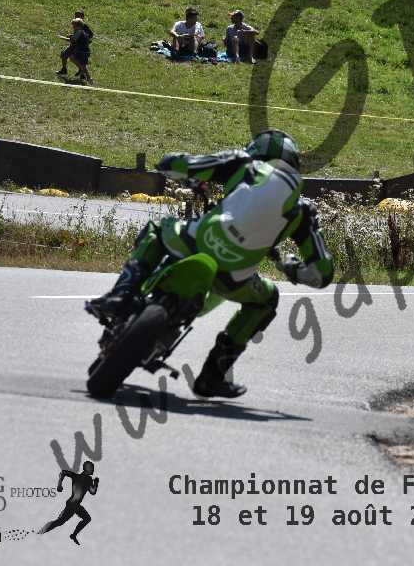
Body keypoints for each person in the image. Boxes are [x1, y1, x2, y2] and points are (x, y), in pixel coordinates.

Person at [86, 130, 334, 398]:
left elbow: (172, 163)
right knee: (267, 299)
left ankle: (121, 294)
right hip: (234, 277)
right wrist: (293, 268)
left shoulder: (242, 163)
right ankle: (213, 376)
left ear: (256, 151)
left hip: (195, 242)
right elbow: (322, 273)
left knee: (157, 229)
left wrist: (188, 176)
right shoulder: (302, 210)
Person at [38, 461, 98, 546]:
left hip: (73, 504)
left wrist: (59, 484)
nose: (93, 469)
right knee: (60, 521)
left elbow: (63, 472)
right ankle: (41, 532)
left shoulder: (77, 476)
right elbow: (93, 491)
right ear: (87, 468)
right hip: (73, 505)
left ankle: (73, 535)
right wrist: (96, 483)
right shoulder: (87, 479)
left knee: (62, 521)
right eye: (91, 467)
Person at [57, 10, 93, 77]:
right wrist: (72, 35)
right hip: (73, 45)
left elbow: (90, 35)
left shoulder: (83, 26)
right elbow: (77, 35)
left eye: (78, 15)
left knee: (77, 60)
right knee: (64, 55)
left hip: (79, 47)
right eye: (76, 15)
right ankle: (64, 70)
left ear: (83, 17)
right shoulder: (76, 23)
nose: (76, 17)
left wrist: (85, 40)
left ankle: (83, 74)